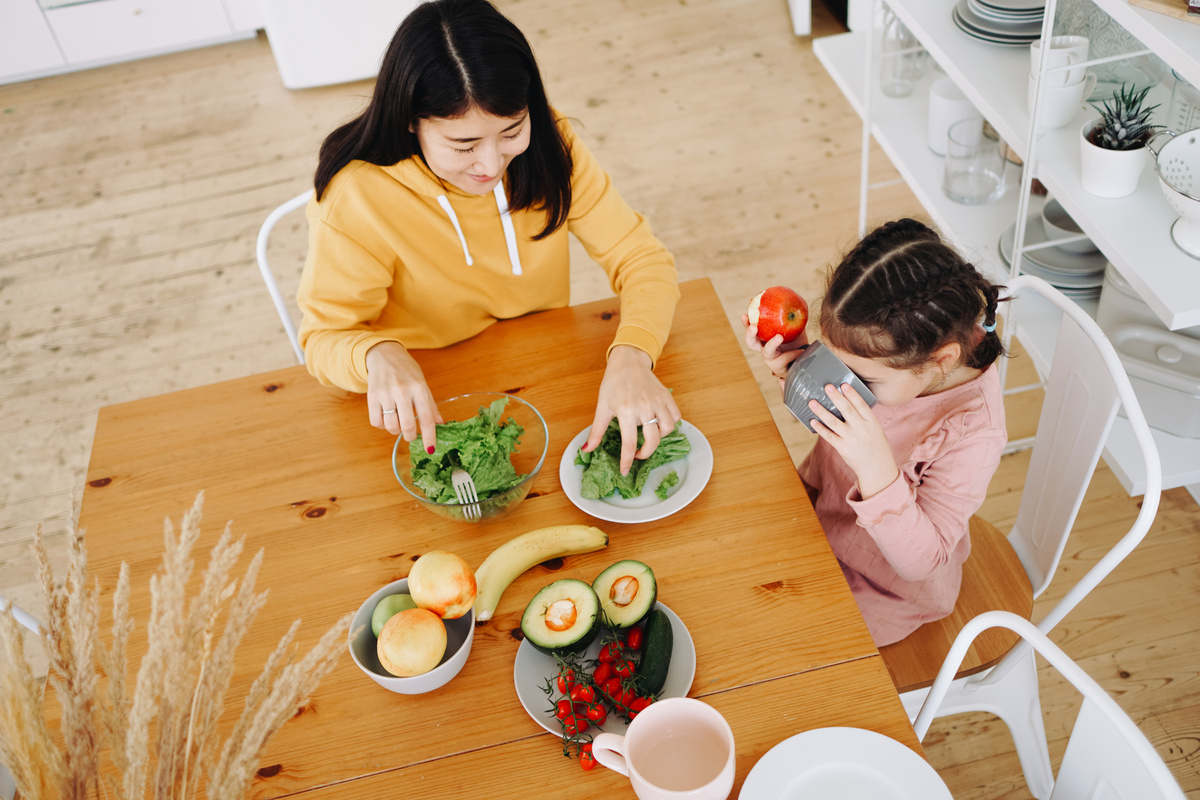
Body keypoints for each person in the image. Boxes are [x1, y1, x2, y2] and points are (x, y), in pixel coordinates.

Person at [297, 0, 680, 475]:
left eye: (511, 131)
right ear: (412, 120)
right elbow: (323, 338)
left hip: (541, 372)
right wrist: (377, 352)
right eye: (463, 145)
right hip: (428, 400)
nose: (492, 164)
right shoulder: (355, 196)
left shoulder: (549, 144)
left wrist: (632, 359)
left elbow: (641, 257)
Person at [744, 219, 1008, 646]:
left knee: (774, 638)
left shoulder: (974, 431)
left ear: (941, 361)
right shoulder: (896, 361)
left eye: (861, 380)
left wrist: (877, 469)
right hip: (819, 516)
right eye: (834, 360)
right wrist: (794, 372)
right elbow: (833, 407)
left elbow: (924, 562)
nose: (842, 383)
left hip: (884, 586)